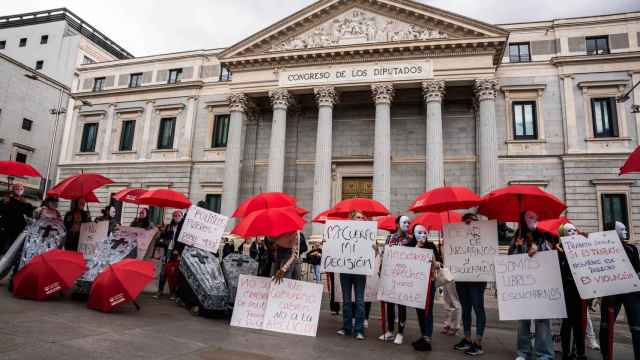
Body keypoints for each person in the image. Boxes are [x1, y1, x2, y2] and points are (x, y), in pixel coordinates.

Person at [510, 210, 554, 360]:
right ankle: (523, 352)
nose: (532, 219)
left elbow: (551, 257)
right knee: (523, 322)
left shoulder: (543, 235)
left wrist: (539, 249)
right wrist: (518, 248)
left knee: (542, 321)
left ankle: (545, 354)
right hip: (523, 286)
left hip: (541, 285)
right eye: (529, 216)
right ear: (523, 219)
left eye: (535, 216)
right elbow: (510, 260)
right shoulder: (518, 236)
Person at [600, 221, 640, 360]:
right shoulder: (604, 249)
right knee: (606, 327)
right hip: (612, 294)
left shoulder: (632, 249)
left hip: (632, 294)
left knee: (637, 328)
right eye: (622, 229)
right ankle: (606, 355)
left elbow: (637, 270)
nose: (626, 231)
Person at [453, 213, 487, 356]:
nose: (469, 224)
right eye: (466, 222)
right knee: (465, 309)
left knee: (478, 308)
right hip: (462, 280)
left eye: (472, 221)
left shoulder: (485, 238)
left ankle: (478, 342)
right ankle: (467, 338)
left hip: (477, 281)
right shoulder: (458, 239)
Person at [379, 215, 412, 345]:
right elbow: (385, 255)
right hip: (390, 276)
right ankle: (390, 331)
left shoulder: (411, 239)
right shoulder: (390, 238)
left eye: (408, 223)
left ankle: (400, 333)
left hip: (404, 277)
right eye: (404, 222)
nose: (407, 225)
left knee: (401, 305)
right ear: (397, 224)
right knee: (390, 304)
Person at [556, 223, 587, 360]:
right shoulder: (559, 251)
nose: (574, 232)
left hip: (580, 291)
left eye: (575, 230)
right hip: (566, 290)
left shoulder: (582, 248)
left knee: (580, 323)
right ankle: (566, 352)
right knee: (567, 323)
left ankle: (580, 352)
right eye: (570, 231)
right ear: (563, 234)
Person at [336, 210, 368, 340]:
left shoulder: (368, 234)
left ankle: (359, 330)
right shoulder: (343, 233)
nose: (360, 219)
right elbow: (337, 248)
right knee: (346, 301)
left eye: (362, 217)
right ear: (352, 219)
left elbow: (374, 253)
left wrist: (375, 248)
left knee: (360, 302)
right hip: (345, 270)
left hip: (360, 272)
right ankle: (347, 327)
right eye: (358, 217)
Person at [411, 223, 440, 352]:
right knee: (419, 311)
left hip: (429, 284)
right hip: (416, 284)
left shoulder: (431, 246)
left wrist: (433, 260)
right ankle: (423, 335)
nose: (422, 235)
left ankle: (427, 338)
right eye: (419, 232)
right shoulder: (411, 246)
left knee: (428, 310)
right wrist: (417, 247)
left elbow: (439, 264)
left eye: (424, 233)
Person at [154, 210, 183, 299]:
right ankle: (160, 291)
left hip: (177, 253)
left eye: (178, 215)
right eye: (175, 215)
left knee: (174, 274)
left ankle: (173, 293)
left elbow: (184, 242)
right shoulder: (168, 227)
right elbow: (161, 239)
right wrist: (162, 233)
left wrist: (179, 251)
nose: (176, 217)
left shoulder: (184, 228)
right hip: (167, 252)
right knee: (163, 273)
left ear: (182, 217)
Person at [0, 183, 35, 254]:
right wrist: (3, 202)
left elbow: (30, 214)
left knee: (12, 250)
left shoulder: (25, 203)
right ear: (13, 190)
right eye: (17, 188)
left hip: (18, 230)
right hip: (6, 228)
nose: (19, 190)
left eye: (21, 189)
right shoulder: (7, 200)